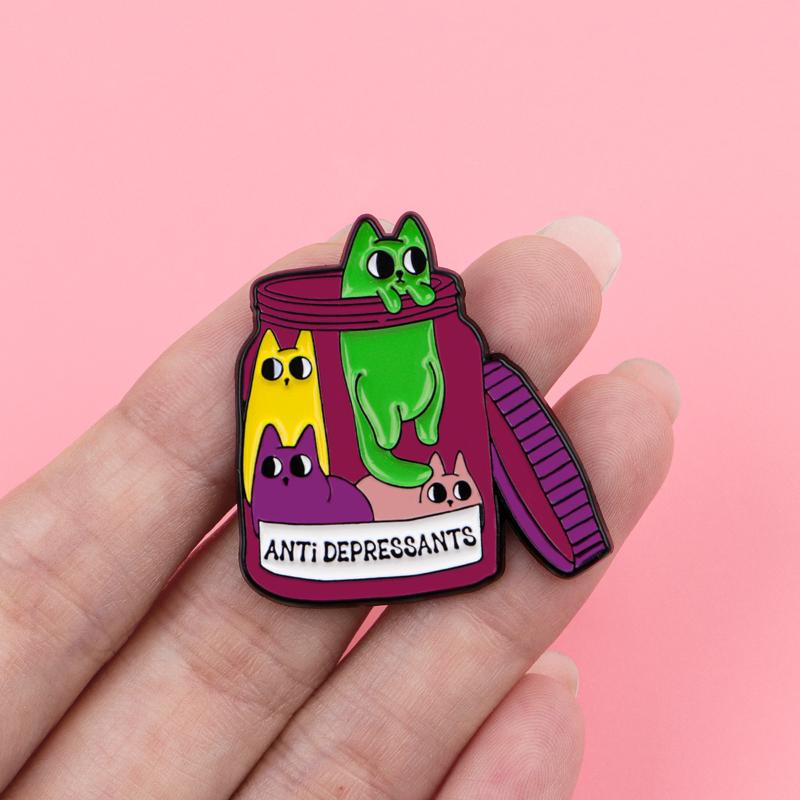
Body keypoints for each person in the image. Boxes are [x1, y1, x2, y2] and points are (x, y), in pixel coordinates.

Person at [0, 216, 678, 799]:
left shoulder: (443, 337)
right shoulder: (300, 358)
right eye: (384, 267)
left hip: (421, 501)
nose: (396, 278)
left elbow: (438, 399)